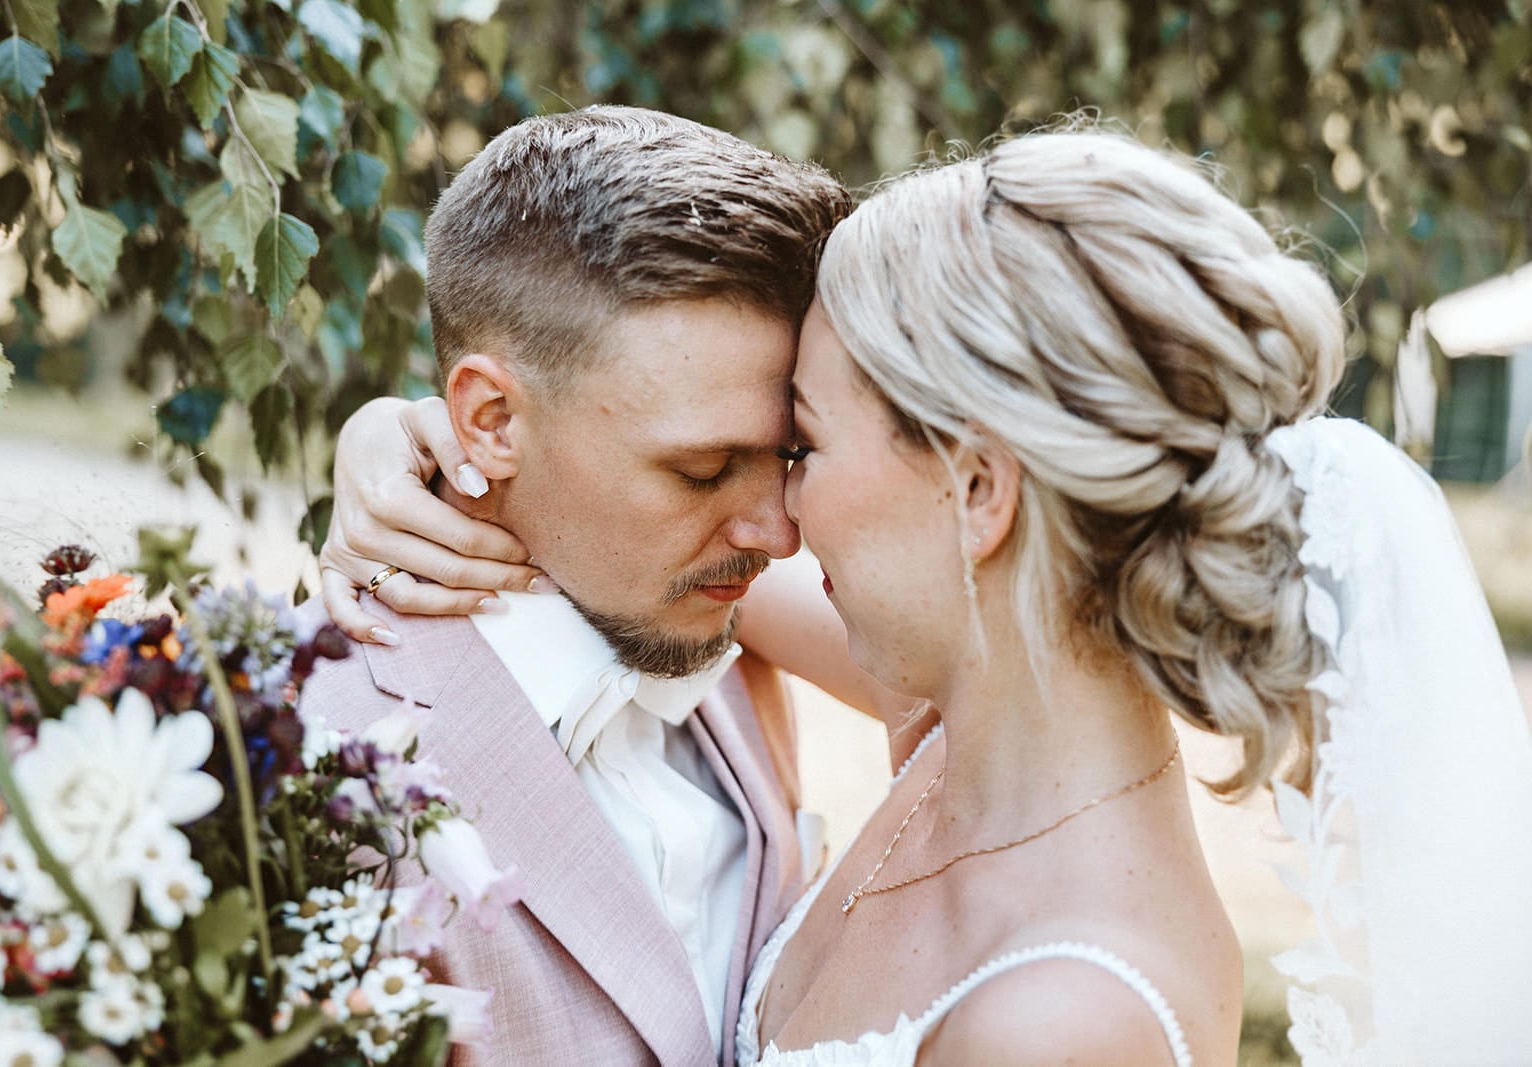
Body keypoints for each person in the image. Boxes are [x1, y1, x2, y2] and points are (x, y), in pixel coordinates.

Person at [324, 124, 1532, 1064]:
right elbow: (605, 538)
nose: (780, 521)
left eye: (803, 445)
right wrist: (410, 446)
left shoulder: (1060, 1014)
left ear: (977, 492)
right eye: (727, 463)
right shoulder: (974, 719)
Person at [299, 104, 864, 1067]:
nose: (777, 531)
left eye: (790, 454)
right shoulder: (313, 771)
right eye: (702, 468)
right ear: (488, 418)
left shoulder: (730, 632)